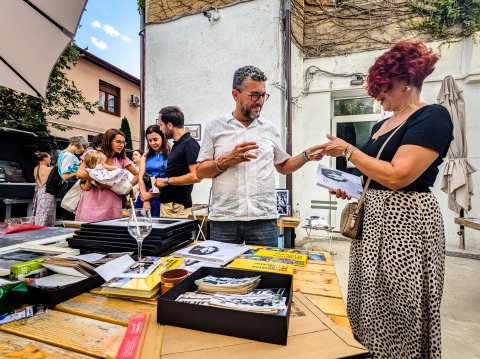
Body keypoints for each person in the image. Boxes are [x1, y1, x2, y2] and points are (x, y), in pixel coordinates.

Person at [317, 41, 453, 358]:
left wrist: (348, 151)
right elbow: (373, 176)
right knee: (368, 298)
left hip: (406, 223)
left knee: (400, 304)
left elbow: (397, 175)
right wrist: (348, 187)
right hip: (373, 220)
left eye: (383, 86)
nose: (378, 94)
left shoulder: (432, 117)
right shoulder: (381, 125)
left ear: (406, 80)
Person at [196, 65, 323, 246]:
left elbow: (283, 166)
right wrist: (226, 160)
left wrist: (306, 155)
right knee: (224, 273)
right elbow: (200, 172)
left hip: (263, 219)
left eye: (263, 95)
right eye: (254, 95)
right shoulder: (215, 126)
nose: (260, 101)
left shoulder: (268, 128)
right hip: (225, 219)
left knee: (265, 273)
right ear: (235, 94)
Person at [75, 129, 139, 222]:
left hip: (112, 202)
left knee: (110, 232)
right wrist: (100, 179)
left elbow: (138, 174)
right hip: (91, 202)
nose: (121, 145)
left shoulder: (122, 159)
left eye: (123, 142)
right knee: (88, 232)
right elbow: (79, 174)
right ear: (108, 141)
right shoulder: (93, 155)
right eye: (118, 142)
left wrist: (127, 187)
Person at [155, 106, 200, 218]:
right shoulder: (177, 145)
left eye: (161, 125)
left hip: (176, 208)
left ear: (170, 125)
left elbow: (196, 176)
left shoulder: (190, 144)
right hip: (169, 205)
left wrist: (166, 181)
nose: (160, 129)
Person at [136, 125, 169, 217]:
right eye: (150, 140)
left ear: (162, 138)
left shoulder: (170, 154)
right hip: (145, 193)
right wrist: (145, 199)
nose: (152, 143)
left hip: (161, 194)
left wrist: (153, 193)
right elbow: (141, 177)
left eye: (155, 139)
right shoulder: (146, 156)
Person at [57, 135, 88, 220]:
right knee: (70, 218)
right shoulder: (68, 156)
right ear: (79, 145)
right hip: (69, 188)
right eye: (83, 147)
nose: (83, 150)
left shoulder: (64, 153)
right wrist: (80, 172)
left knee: (69, 217)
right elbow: (65, 176)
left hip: (68, 188)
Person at [32, 152, 55, 226]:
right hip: (47, 192)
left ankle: (37, 226)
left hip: (39, 191)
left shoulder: (36, 168)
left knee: (39, 211)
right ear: (45, 159)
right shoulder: (50, 169)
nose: (50, 159)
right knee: (46, 212)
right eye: (49, 158)